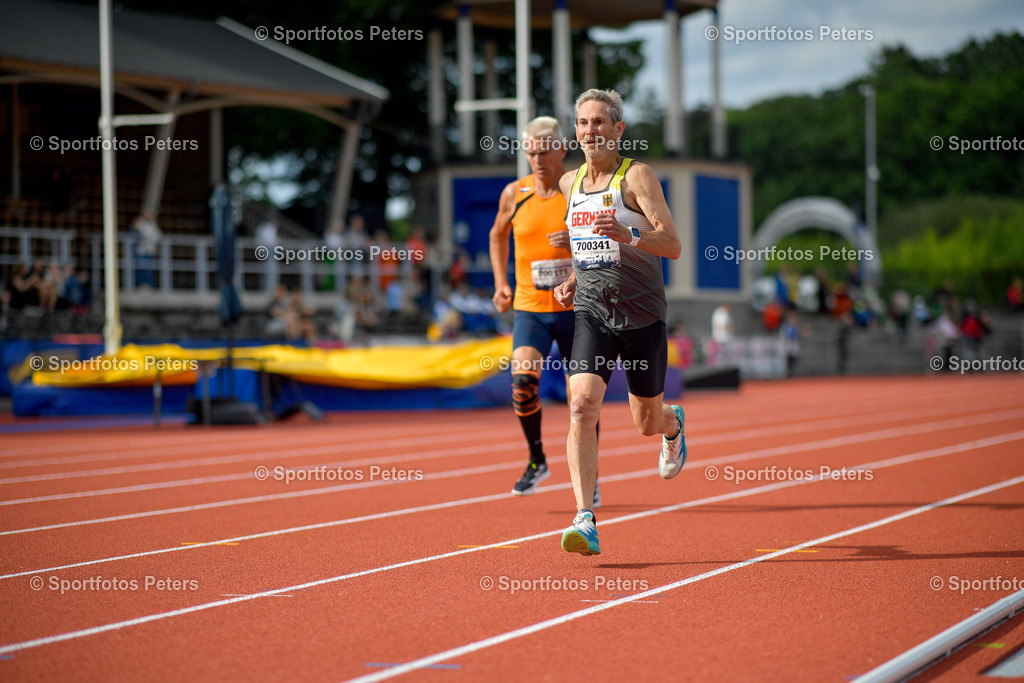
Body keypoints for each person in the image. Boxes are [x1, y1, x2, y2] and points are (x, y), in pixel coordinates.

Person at [553, 89, 685, 556]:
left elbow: (671, 245)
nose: (590, 131)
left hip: (642, 313)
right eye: (583, 123)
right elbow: (586, 245)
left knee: (645, 422)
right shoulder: (569, 184)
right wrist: (572, 277)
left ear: (618, 129)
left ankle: (672, 426)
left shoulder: (638, 177)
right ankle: (584, 518)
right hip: (591, 310)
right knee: (581, 406)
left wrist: (629, 234)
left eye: (599, 123)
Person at [488, 116, 601, 502]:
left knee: (582, 398)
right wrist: (501, 284)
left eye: (544, 151)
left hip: (577, 308)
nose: (536, 159)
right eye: (530, 152)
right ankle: (537, 459)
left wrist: (572, 243)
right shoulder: (513, 193)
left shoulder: (578, 189)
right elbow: (497, 234)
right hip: (530, 308)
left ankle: (590, 473)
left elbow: (602, 241)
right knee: (522, 383)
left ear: (561, 149)